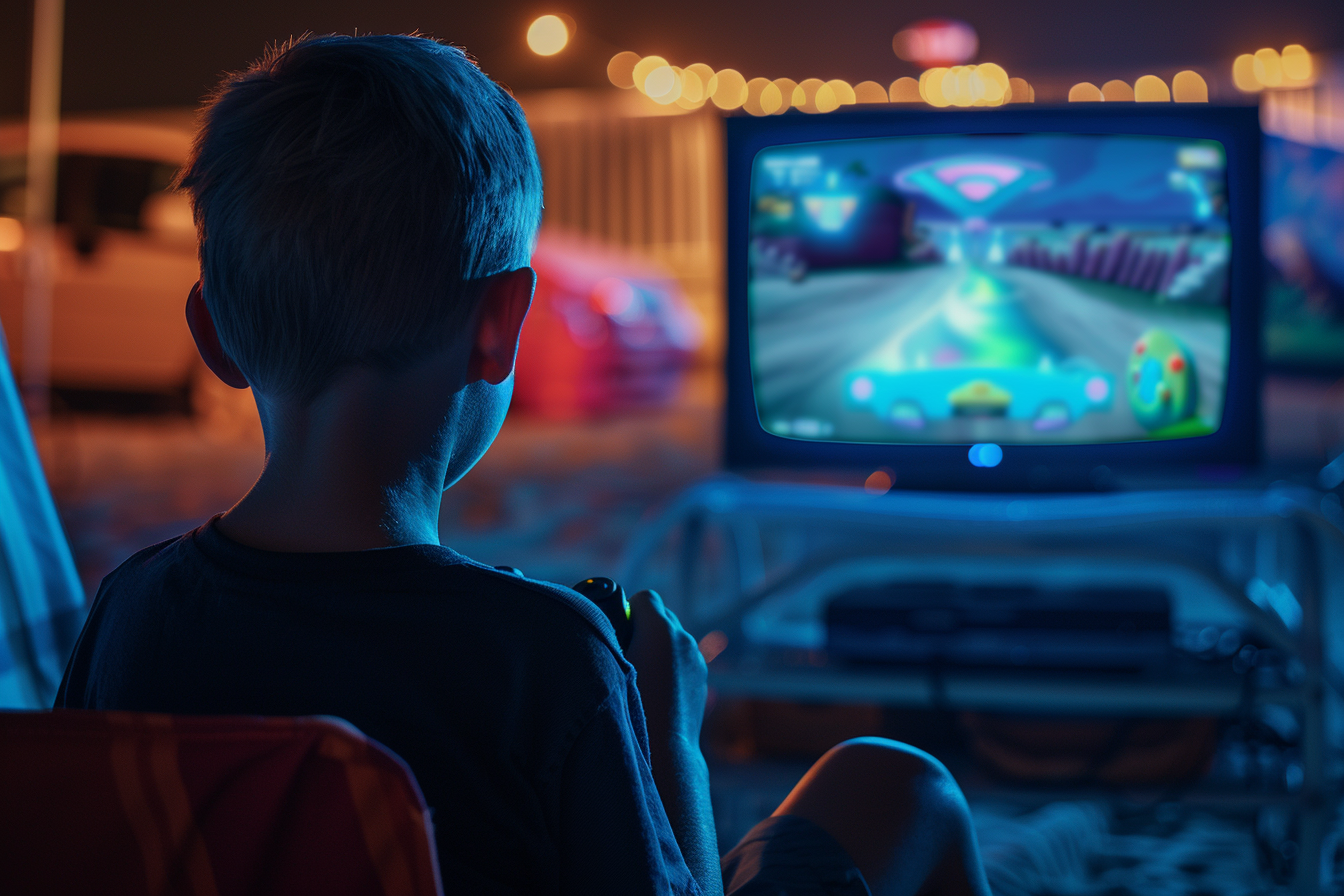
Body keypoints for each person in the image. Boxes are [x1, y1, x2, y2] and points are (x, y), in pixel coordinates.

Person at [55, 34, 991, 896]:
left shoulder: (130, 614)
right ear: (502, 325)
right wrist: (669, 746)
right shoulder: (545, 657)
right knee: (897, 783)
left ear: (214, 336)